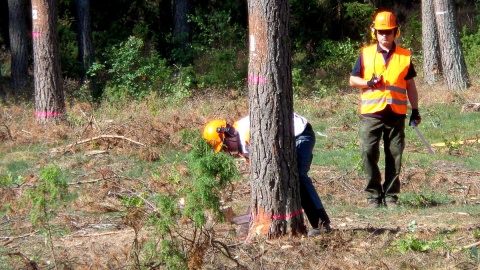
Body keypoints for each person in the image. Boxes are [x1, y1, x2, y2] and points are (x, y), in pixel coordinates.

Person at [203, 113, 331, 236]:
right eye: (224, 150)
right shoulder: (242, 144)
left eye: (225, 147)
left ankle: (321, 223)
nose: (228, 151)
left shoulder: (249, 132)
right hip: (283, 143)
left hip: (299, 135)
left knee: (296, 175)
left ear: (228, 132)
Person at [349, 10, 422, 208]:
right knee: (368, 151)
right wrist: (368, 82)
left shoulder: (404, 56)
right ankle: (373, 195)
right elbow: (352, 80)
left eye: (388, 31)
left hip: (396, 114)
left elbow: (410, 86)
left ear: (395, 32)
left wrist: (415, 110)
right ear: (375, 32)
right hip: (371, 113)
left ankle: (391, 196)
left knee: (395, 154)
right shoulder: (366, 54)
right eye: (381, 31)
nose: (384, 35)